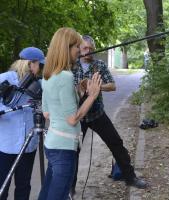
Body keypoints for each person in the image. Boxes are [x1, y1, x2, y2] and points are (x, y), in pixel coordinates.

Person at [71, 35, 148, 193]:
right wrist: (81, 87)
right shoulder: (71, 65)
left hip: (97, 114)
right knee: (73, 152)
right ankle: (70, 187)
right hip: (79, 116)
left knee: (116, 143)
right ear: (79, 48)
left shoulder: (99, 64)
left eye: (91, 49)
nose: (88, 51)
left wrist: (98, 87)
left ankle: (130, 177)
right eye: (85, 48)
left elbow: (112, 85)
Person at [38, 28, 101, 200]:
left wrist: (79, 93)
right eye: (77, 49)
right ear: (66, 48)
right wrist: (93, 95)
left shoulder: (48, 75)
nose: (79, 53)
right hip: (64, 149)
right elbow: (72, 118)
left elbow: (47, 112)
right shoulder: (65, 76)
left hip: (52, 145)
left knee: (46, 193)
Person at [0, 47, 45, 200]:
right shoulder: (4, 78)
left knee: (24, 185)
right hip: (5, 145)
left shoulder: (38, 83)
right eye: (39, 64)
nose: (40, 69)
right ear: (31, 63)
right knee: (2, 186)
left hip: (28, 144)